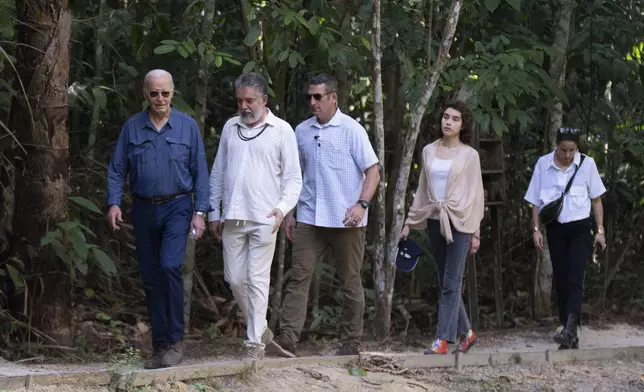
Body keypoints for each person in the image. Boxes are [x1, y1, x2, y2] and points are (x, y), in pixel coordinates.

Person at [269, 73, 380, 358]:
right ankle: (287, 339)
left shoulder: (352, 129)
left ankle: (351, 342)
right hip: (308, 216)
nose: (313, 102)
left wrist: (361, 205)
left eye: (318, 96)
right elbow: (294, 176)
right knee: (299, 277)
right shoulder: (301, 131)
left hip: (346, 219)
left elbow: (373, 171)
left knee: (349, 280)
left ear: (333, 97)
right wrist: (290, 213)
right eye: (310, 96)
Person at [106, 69, 209, 369]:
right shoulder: (132, 128)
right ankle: (160, 346)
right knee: (151, 279)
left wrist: (200, 212)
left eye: (165, 92)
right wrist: (114, 203)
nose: (160, 98)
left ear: (173, 93)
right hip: (143, 209)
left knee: (169, 267)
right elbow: (116, 170)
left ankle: (176, 341)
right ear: (145, 94)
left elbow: (200, 172)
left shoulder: (187, 127)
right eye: (154, 93)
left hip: (178, 206)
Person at [208, 72, 302, 360]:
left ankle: (253, 346)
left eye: (250, 100)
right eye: (239, 101)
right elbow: (218, 172)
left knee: (258, 278)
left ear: (264, 100)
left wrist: (283, 208)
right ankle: (261, 329)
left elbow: (294, 179)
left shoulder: (282, 130)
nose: (244, 106)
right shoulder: (229, 127)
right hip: (233, 216)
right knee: (235, 278)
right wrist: (214, 210)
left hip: (265, 216)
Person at [400, 100, 484, 355]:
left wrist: (476, 231)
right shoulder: (428, 151)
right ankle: (467, 333)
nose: (448, 122)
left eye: (455, 118)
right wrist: (409, 222)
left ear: (463, 124)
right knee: (446, 281)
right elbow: (423, 190)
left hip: (461, 222)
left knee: (451, 282)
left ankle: (442, 340)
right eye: (446, 116)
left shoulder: (470, 155)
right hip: (436, 219)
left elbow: (477, 193)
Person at [524, 127, 606, 349]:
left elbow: (597, 201)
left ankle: (570, 328)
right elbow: (535, 202)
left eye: (572, 150)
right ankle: (569, 331)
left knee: (575, 277)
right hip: (556, 228)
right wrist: (536, 229)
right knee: (561, 279)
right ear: (556, 146)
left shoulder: (587, 164)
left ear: (577, 148)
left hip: (580, 227)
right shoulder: (543, 164)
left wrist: (600, 231)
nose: (568, 155)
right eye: (563, 150)